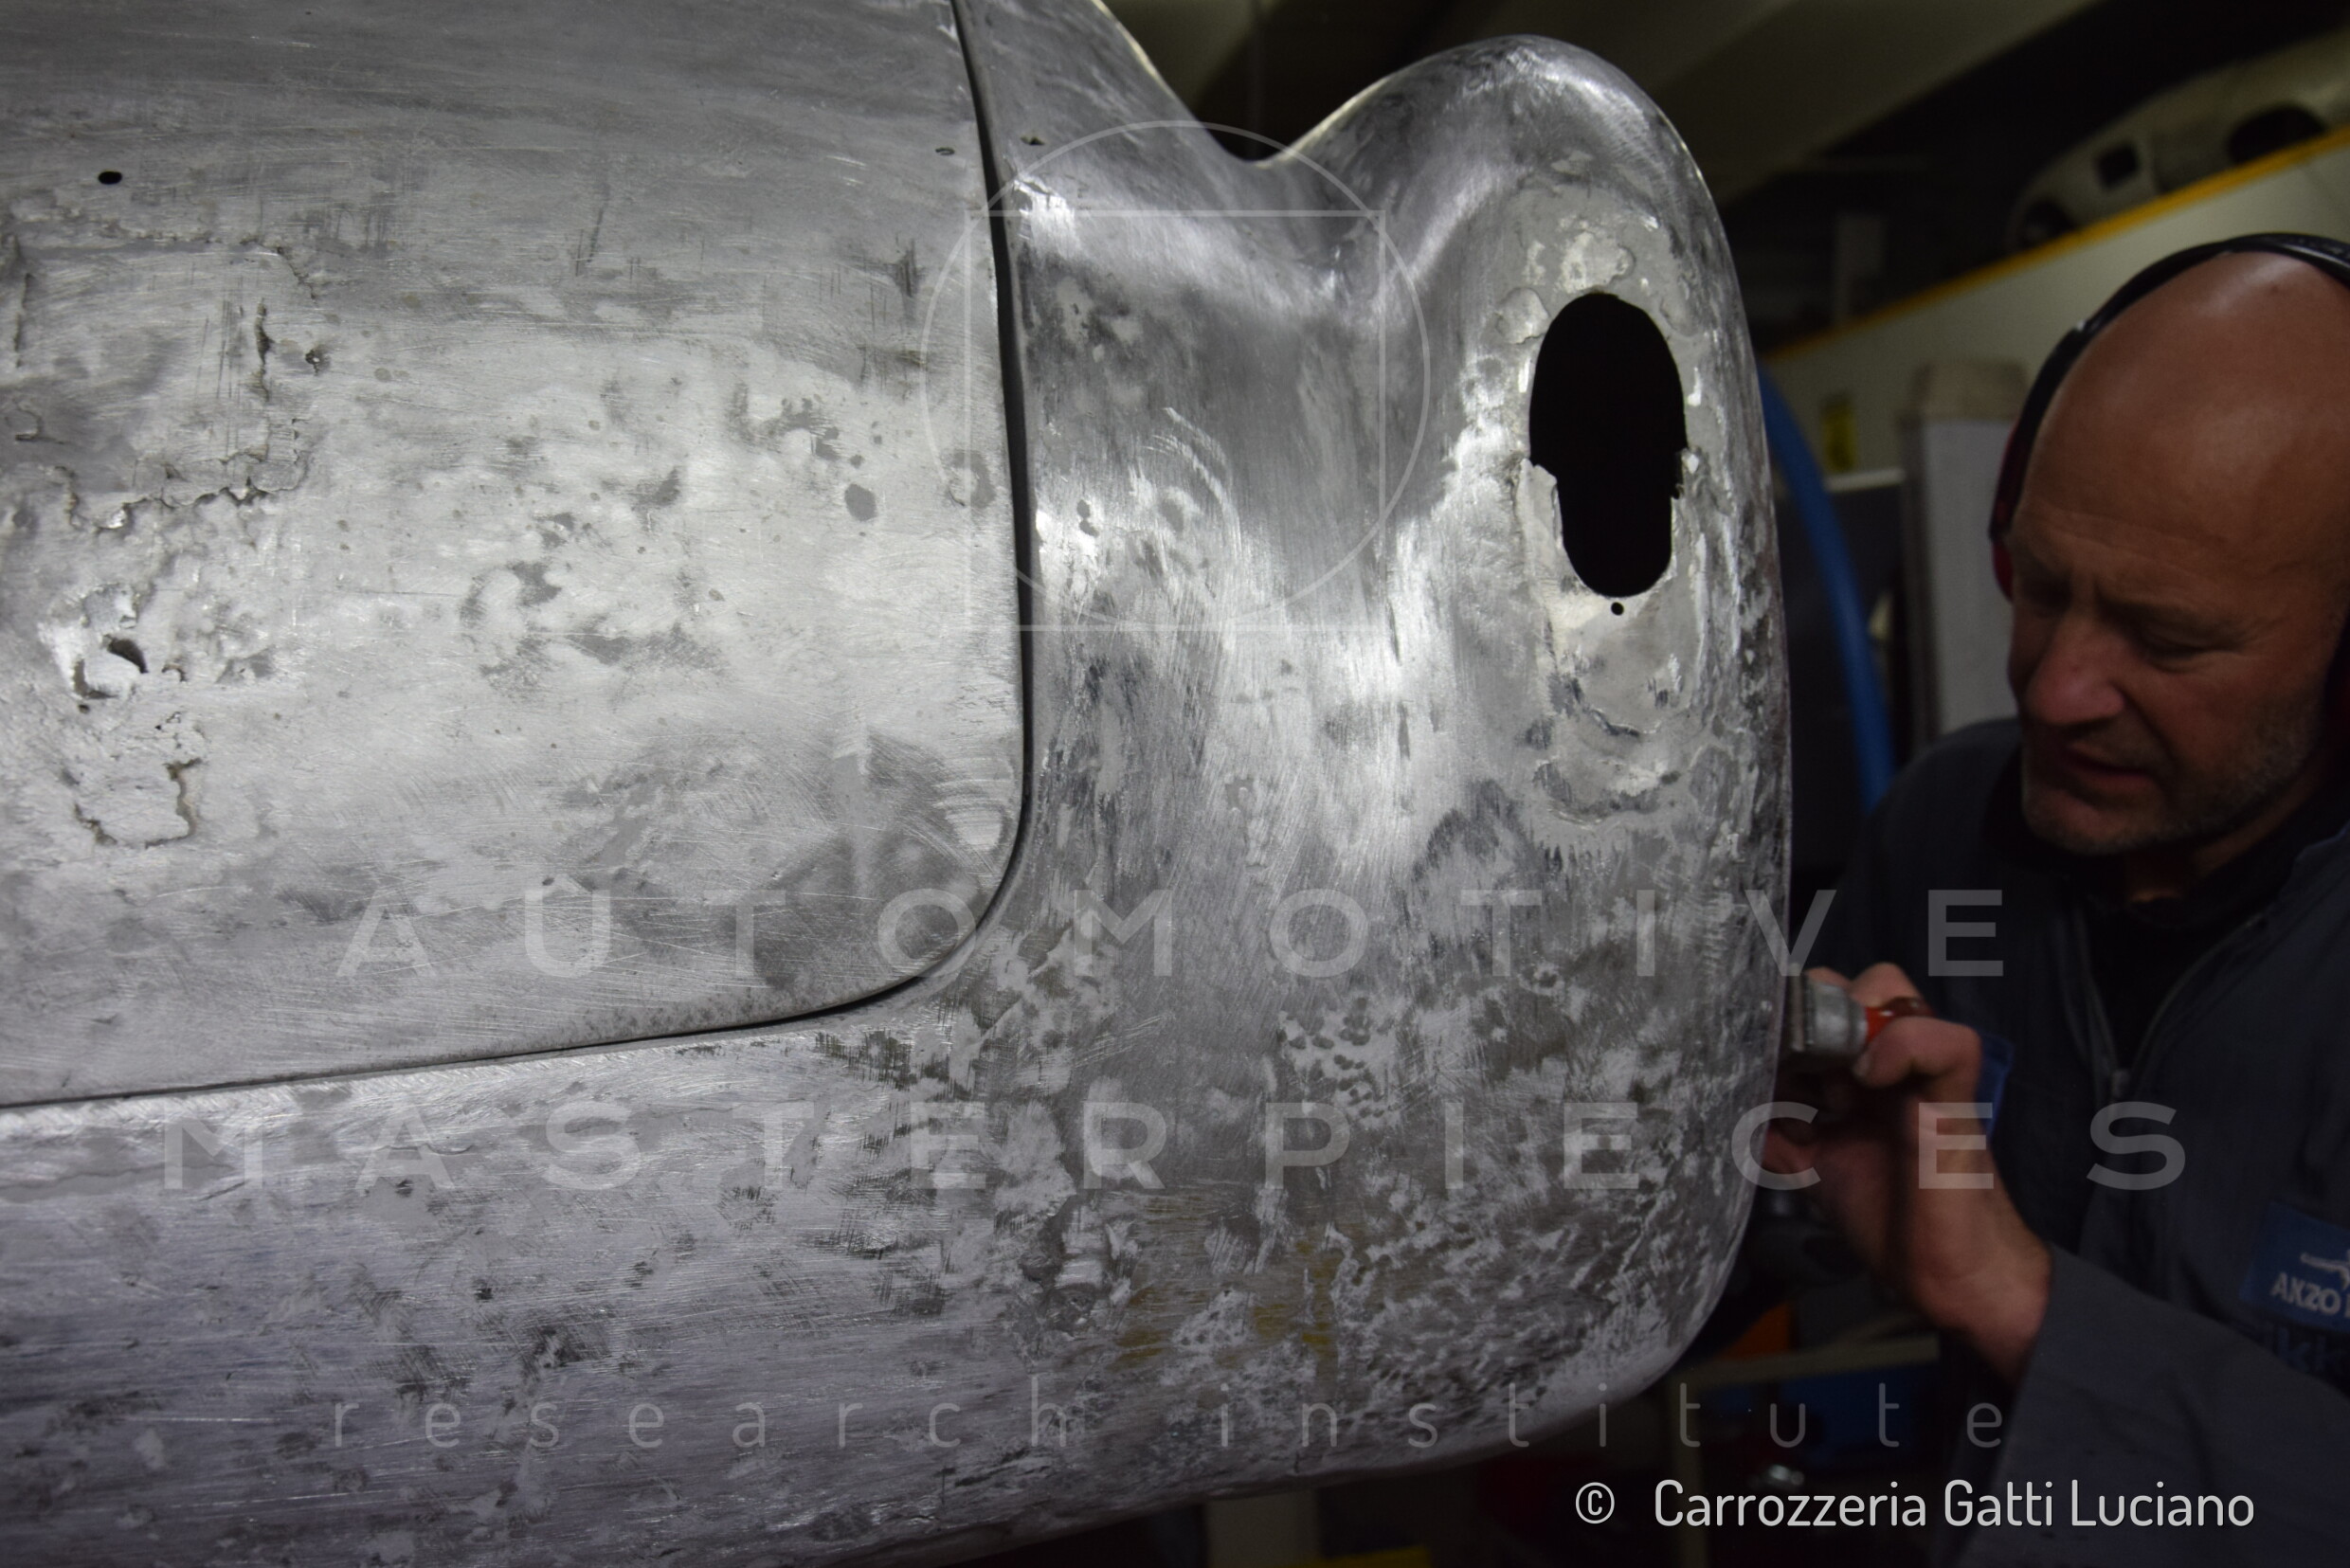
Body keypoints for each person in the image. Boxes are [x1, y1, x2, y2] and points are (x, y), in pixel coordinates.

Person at [1763, 236, 2350, 1564]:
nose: (2055, 688)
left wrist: (2021, 1303)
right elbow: (1774, 1216)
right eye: (2040, 584)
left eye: (2167, 638)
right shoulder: (1950, 827)